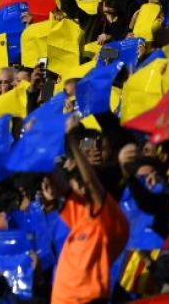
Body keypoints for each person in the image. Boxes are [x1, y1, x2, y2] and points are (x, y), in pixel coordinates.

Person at [50, 114, 129, 304]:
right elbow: (62, 187)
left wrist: (73, 141)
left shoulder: (106, 212)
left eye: (99, 145)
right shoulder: (79, 213)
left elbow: (91, 182)